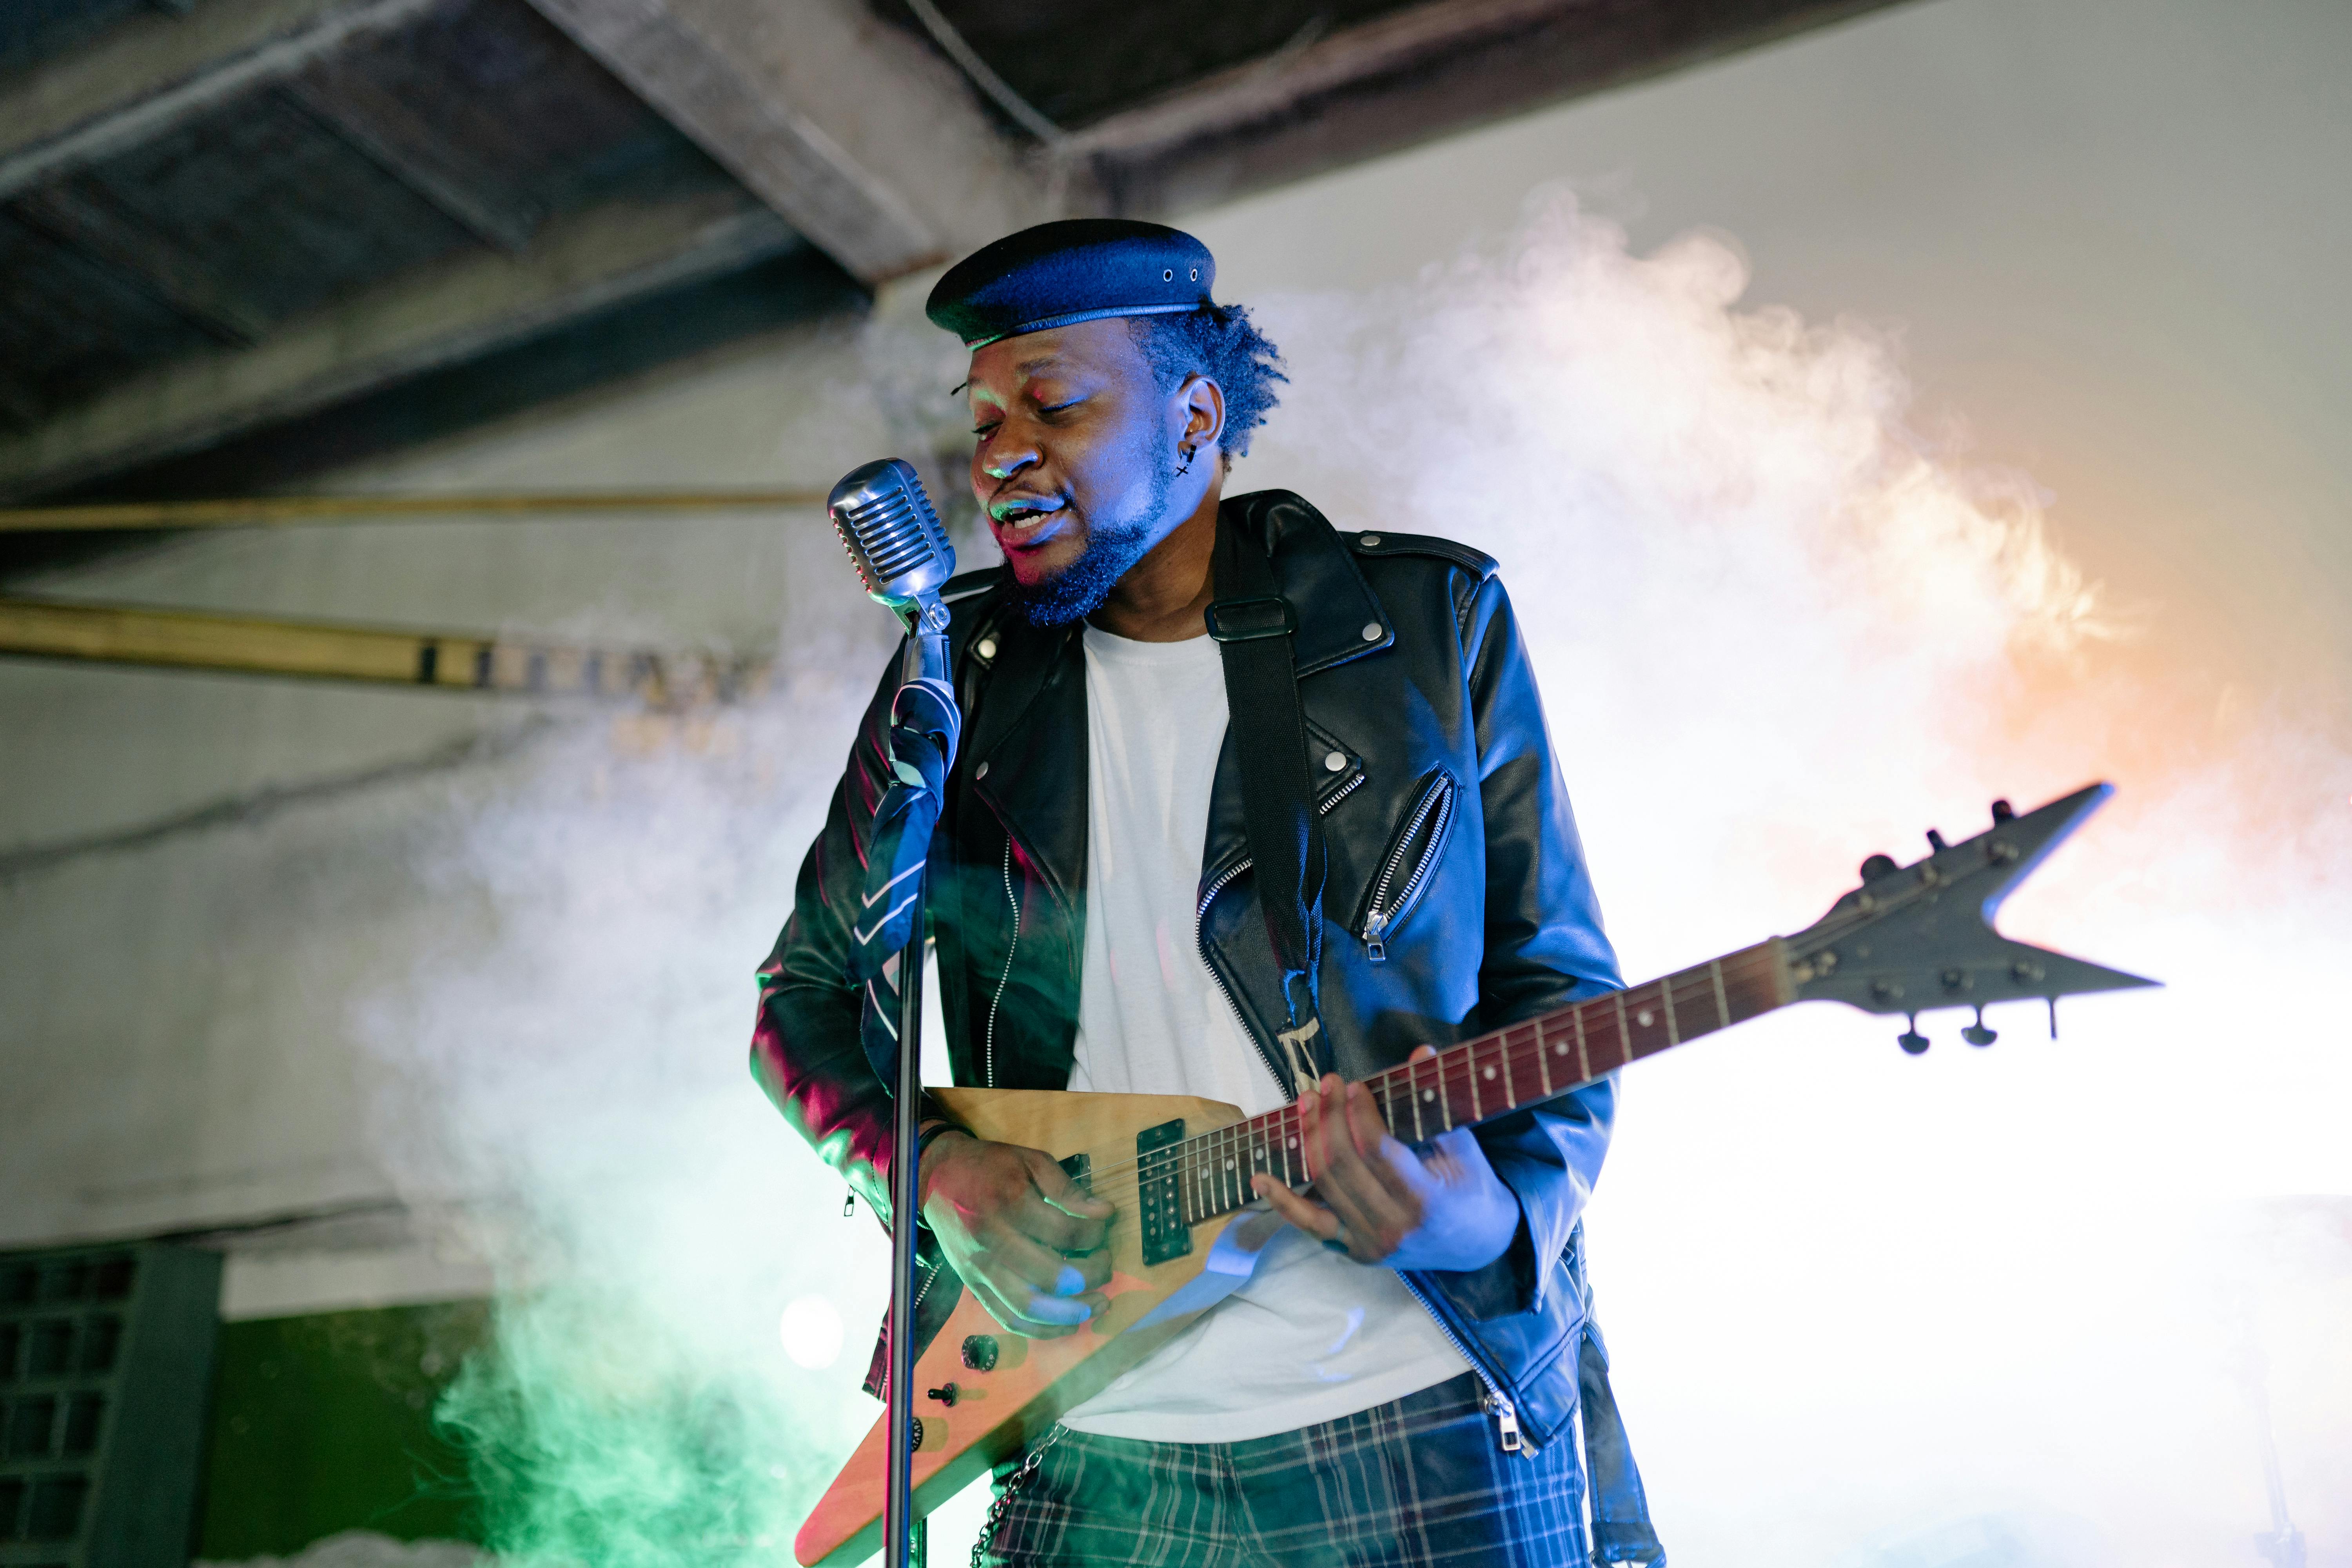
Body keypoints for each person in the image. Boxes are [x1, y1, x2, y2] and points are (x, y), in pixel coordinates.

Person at [753, 219, 1659, 1566]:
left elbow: (1559, 988)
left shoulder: (1424, 623)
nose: (1002, 451)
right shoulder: (960, 678)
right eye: (984, 415)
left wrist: (1495, 1218)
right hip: (1083, 1444)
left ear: (1195, 414)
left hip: (1414, 1416)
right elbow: (807, 1004)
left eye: (1054, 402)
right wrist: (934, 1172)